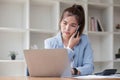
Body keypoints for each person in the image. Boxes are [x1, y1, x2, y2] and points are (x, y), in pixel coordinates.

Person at [44, 4, 94, 76]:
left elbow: (90, 67)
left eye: (73, 25)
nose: (67, 28)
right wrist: (70, 47)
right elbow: (54, 69)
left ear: (78, 27)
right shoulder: (50, 43)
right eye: (65, 23)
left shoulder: (84, 40)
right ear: (60, 22)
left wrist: (74, 71)